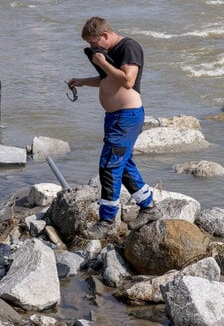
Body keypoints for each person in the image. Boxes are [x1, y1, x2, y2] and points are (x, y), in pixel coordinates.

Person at [67, 17, 157, 237]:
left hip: (127, 117)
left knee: (108, 166)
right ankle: (149, 208)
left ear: (105, 36)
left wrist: (102, 62)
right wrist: (82, 81)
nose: (92, 48)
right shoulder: (107, 53)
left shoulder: (129, 47)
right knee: (123, 165)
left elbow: (127, 80)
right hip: (115, 118)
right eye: (89, 45)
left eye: (94, 43)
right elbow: (108, 80)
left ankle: (107, 221)